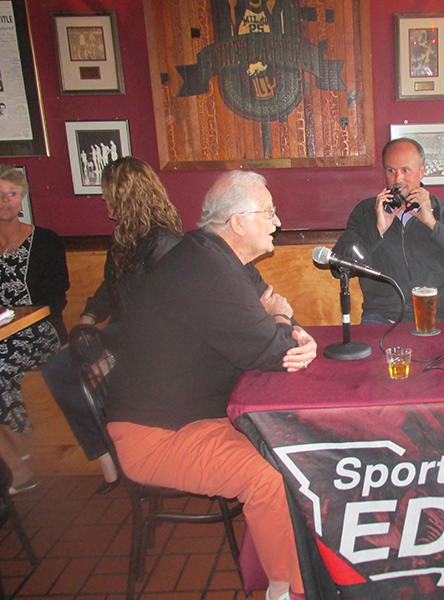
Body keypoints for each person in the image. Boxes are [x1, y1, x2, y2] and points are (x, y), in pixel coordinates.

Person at [106, 170, 316, 600]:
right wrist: (282, 324)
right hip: (157, 435)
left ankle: (297, 562)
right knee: (271, 477)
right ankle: (285, 589)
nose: (277, 221)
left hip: (194, 415)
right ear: (238, 222)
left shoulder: (219, 258)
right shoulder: (205, 268)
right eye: (269, 212)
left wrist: (288, 326)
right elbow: (273, 349)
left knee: (290, 451)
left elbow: (279, 322)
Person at [42, 157, 183, 495]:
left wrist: (114, 357)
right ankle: (105, 456)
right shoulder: (124, 237)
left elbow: (165, 315)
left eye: (108, 195)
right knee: (58, 368)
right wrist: (84, 325)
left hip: (154, 341)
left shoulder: (163, 241)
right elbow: (109, 287)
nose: (105, 202)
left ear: (125, 195)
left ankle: (132, 453)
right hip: (125, 331)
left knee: (88, 375)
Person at [332, 138, 444, 323]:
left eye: (406, 170)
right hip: (379, 318)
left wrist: (433, 225)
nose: (398, 179)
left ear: (422, 171)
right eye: (391, 171)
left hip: (432, 316)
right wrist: (378, 231)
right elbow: (338, 267)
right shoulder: (366, 212)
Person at [0, 164, 69, 493]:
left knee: (1, 362)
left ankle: (19, 462)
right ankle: (16, 459)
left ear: (21, 198)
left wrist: (20, 318)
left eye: (11, 194)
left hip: (40, 331)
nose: (4, 201)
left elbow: (58, 298)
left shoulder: (45, 241)